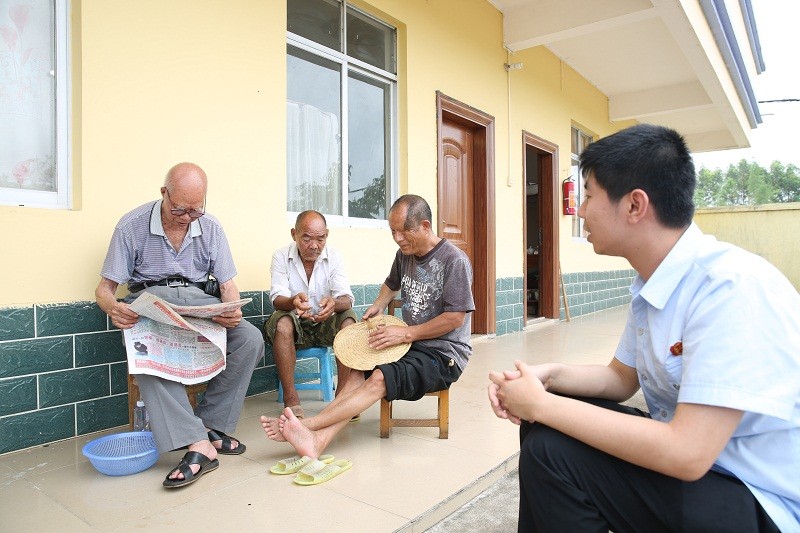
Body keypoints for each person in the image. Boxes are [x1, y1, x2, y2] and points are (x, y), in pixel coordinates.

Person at [488, 124, 799, 532]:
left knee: (551, 448)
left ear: (635, 206)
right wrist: (548, 378)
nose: (580, 212)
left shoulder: (730, 287)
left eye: (589, 196)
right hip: (711, 477)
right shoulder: (654, 283)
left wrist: (541, 404)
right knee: (543, 425)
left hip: (755, 499)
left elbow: (687, 453)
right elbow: (621, 378)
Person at [261, 194, 474, 458]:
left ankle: (304, 426)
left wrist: (406, 332)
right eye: (393, 231)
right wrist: (379, 304)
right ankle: (317, 441)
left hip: (444, 354)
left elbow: (456, 318)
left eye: (403, 232)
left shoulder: (454, 260)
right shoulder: (404, 254)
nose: (397, 238)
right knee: (356, 372)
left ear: (425, 226)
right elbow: (391, 284)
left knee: (380, 377)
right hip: (410, 344)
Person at [95, 162, 263, 489]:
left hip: (198, 302)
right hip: (151, 303)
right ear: (163, 194)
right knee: (143, 351)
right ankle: (197, 443)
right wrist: (114, 308)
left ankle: (209, 424)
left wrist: (232, 311)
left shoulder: (211, 228)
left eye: (195, 211)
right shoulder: (131, 226)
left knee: (250, 338)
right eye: (179, 209)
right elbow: (104, 290)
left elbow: (228, 286)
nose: (186, 217)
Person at [265, 210, 358, 419]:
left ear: (327, 235)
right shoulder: (281, 256)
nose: (314, 245)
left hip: (324, 325)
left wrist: (333, 304)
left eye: (320, 238)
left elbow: (347, 298)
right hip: (295, 326)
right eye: (306, 238)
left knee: (349, 319)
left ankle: (342, 397)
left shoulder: (334, 257)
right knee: (282, 322)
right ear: (294, 234)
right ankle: (291, 400)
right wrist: (292, 301)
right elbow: (277, 298)